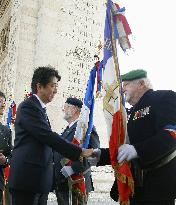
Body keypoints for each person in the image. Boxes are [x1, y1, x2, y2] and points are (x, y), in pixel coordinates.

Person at [8, 66, 93, 205]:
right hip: (27, 180)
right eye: (53, 86)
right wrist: (79, 151)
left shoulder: (39, 109)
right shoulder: (28, 107)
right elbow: (47, 136)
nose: (56, 90)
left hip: (39, 181)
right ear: (39, 86)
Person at [90, 69, 176, 205]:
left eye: (126, 84)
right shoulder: (130, 112)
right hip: (133, 186)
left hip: (155, 188)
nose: (122, 89)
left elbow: (171, 135)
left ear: (141, 83)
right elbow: (128, 146)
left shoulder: (164, 97)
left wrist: (138, 150)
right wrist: (102, 155)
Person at [53, 97, 100, 205]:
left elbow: (93, 153)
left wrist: (72, 169)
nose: (62, 110)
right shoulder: (67, 129)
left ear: (74, 109)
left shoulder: (86, 129)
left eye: (65, 107)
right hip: (63, 182)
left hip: (77, 181)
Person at [0, 91, 12, 205]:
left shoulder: (6, 131)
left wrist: (5, 160)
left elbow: (10, 154)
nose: (3, 105)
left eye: (4, 102)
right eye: (0, 101)